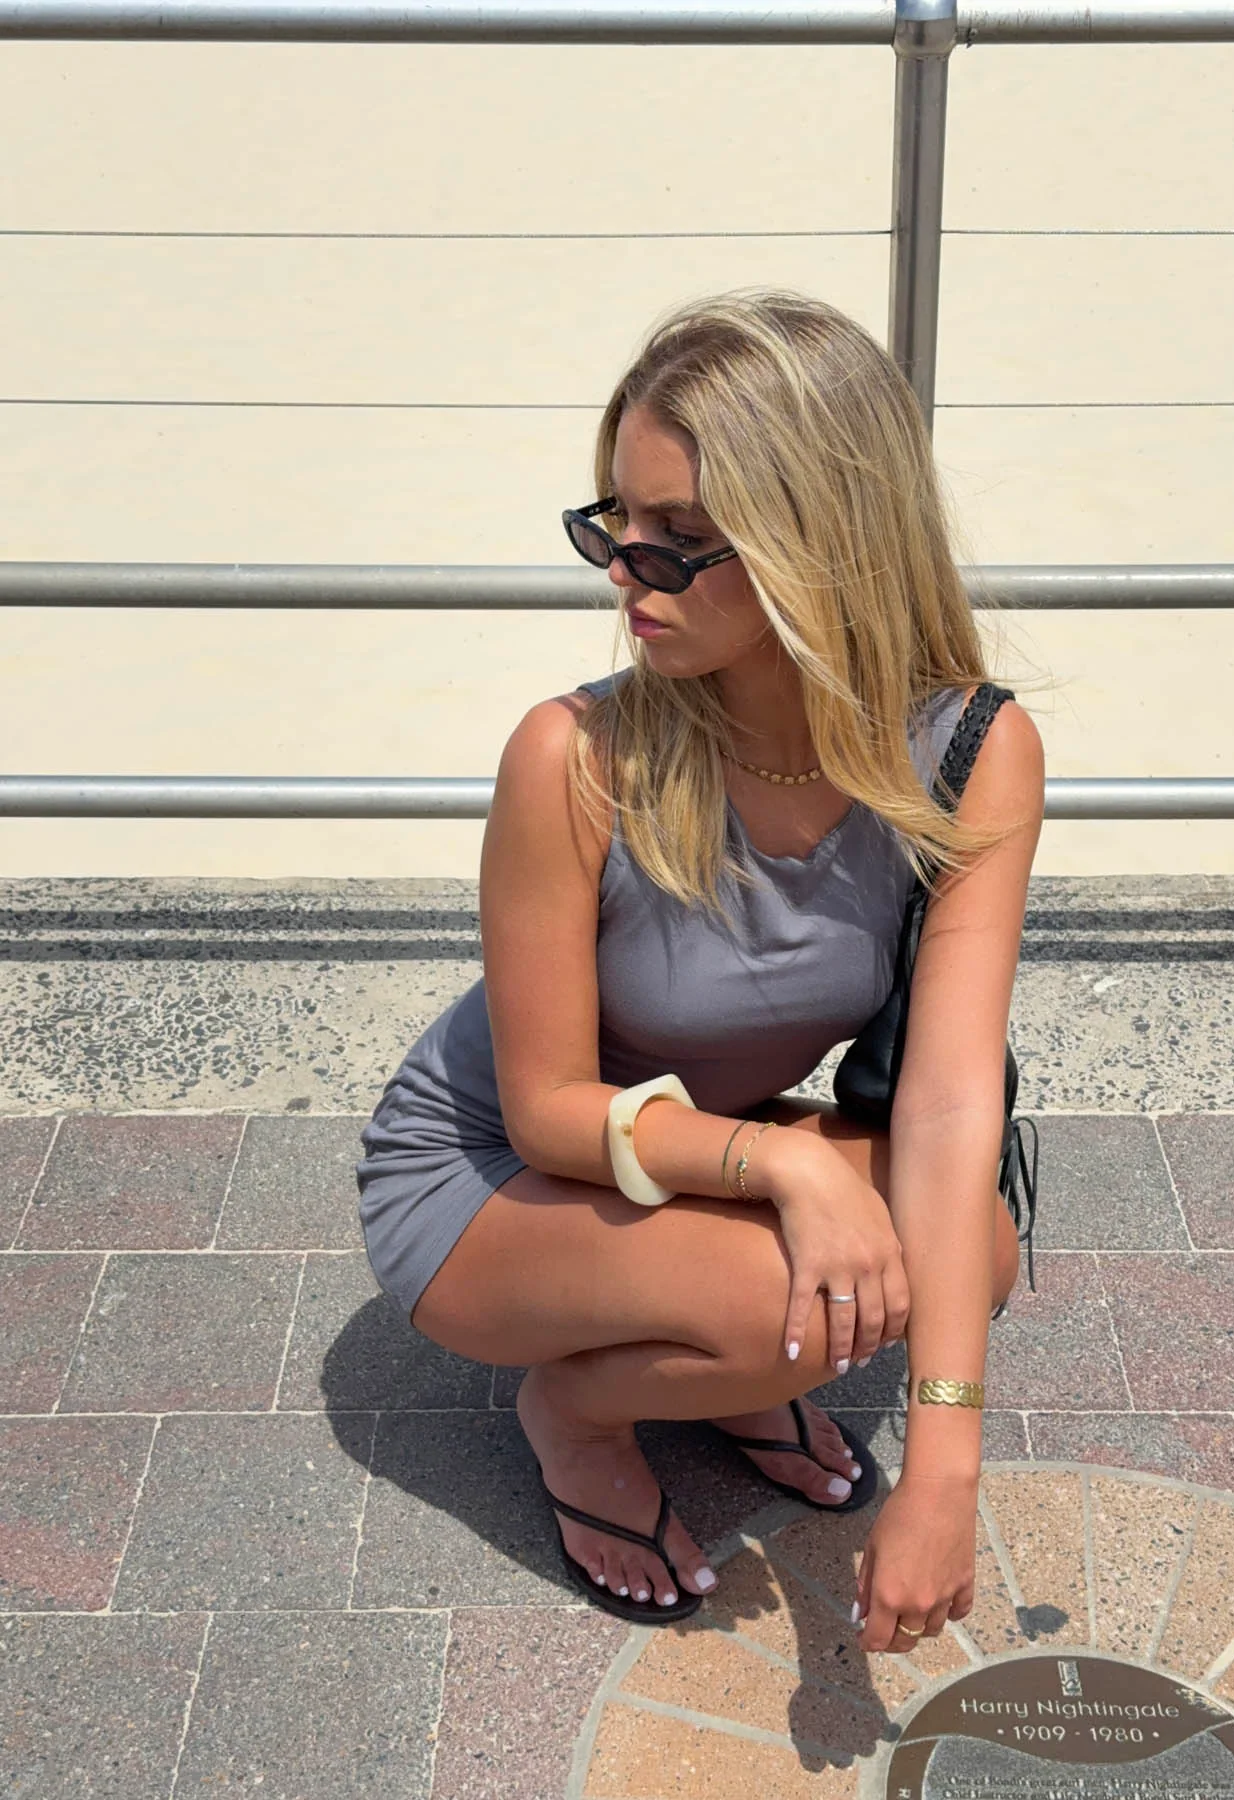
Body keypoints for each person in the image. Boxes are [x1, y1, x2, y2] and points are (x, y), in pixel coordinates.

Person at [356, 289, 1044, 1655]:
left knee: (977, 1251)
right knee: (792, 1313)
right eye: (614, 521)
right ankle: (576, 1411)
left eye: (677, 538)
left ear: (819, 540)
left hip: (687, 1145)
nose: (626, 572)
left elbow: (952, 1100)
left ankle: (721, 1365)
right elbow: (547, 1108)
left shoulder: (970, 751)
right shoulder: (574, 756)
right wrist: (784, 1166)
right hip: (488, 1169)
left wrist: (946, 1472)